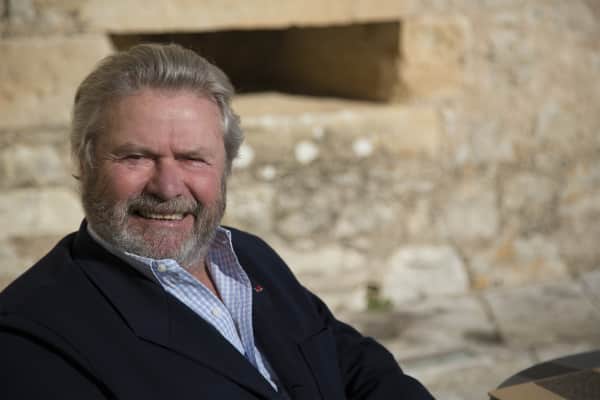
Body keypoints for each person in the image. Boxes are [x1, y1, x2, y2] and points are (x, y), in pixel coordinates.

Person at [0, 43, 434, 399]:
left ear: (225, 168)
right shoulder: (29, 337)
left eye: (193, 158)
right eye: (136, 157)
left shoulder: (249, 257)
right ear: (84, 162)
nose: (168, 187)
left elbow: (348, 361)